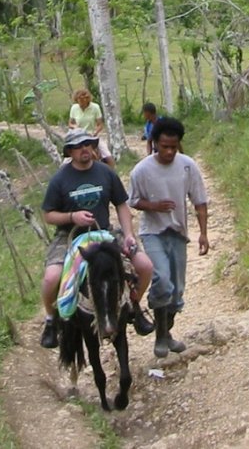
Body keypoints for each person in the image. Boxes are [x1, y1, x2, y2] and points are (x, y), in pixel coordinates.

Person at [38, 126, 154, 348]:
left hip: (104, 232)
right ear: (69, 152)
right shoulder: (60, 179)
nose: (84, 149)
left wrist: (128, 234)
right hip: (69, 236)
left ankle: (133, 308)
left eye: (88, 144)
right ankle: (51, 320)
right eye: (78, 146)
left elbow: (121, 204)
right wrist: (73, 216)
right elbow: (48, 215)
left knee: (145, 266)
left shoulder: (106, 172)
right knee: (52, 277)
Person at [128, 115, 209, 358]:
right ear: (154, 143)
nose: (170, 152)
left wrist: (203, 233)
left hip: (178, 233)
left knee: (177, 290)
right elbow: (133, 201)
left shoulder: (187, 166)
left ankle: (166, 333)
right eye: (165, 147)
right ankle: (160, 337)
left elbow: (200, 201)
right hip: (153, 232)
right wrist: (153, 206)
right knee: (162, 279)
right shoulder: (141, 170)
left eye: (174, 147)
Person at [68, 87, 115, 167]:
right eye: (79, 100)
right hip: (78, 135)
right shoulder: (74, 108)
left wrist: (95, 133)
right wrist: (75, 127)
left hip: (91, 134)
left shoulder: (95, 107)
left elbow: (100, 125)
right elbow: (70, 123)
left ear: (87, 99)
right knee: (66, 159)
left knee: (106, 153)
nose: (81, 103)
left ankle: (112, 172)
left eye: (83, 100)